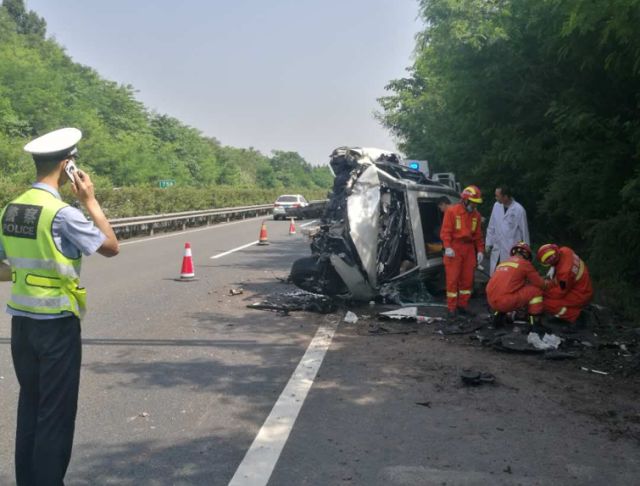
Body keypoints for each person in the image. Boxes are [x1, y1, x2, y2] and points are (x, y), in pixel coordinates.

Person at [0, 127, 119, 485]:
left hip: (21, 325)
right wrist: (91, 201)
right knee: (56, 414)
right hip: (56, 326)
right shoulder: (62, 214)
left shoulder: (11, 209)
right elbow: (111, 247)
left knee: (31, 407)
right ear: (68, 166)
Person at [440, 185, 485, 320]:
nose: (474, 206)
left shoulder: (476, 215)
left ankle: (462, 306)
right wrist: (447, 246)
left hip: (469, 249)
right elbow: (446, 232)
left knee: (467, 281)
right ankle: (451, 308)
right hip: (455, 248)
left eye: (476, 203)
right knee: (453, 280)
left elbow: (478, 235)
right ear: (465, 200)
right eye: (473, 202)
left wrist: (480, 251)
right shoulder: (452, 211)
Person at [486, 242, 546, 329]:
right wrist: (550, 283)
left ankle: (497, 317)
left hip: (491, 301)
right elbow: (540, 284)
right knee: (536, 291)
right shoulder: (525, 264)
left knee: (504, 291)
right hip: (505, 302)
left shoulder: (503, 263)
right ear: (527, 255)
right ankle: (535, 323)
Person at [537, 243, 593, 324]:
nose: (550, 259)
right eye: (546, 259)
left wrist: (542, 293)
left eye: (550, 256)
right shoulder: (565, 250)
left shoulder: (565, 272)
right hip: (582, 286)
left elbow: (560, 292)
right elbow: (560, 279)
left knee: (547, 303)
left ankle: (575, 316)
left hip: (581, 295)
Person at [485, 185, 529, 275]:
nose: (495, 198)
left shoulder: (519, 210)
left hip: (511, 250)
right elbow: (491, 226)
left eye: (497, 196)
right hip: (497, 249)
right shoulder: (496, 206)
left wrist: (525, 252)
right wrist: (488, 243)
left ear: (505, 197)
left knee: (508, 277)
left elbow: (524, 232)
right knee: (495, 276)